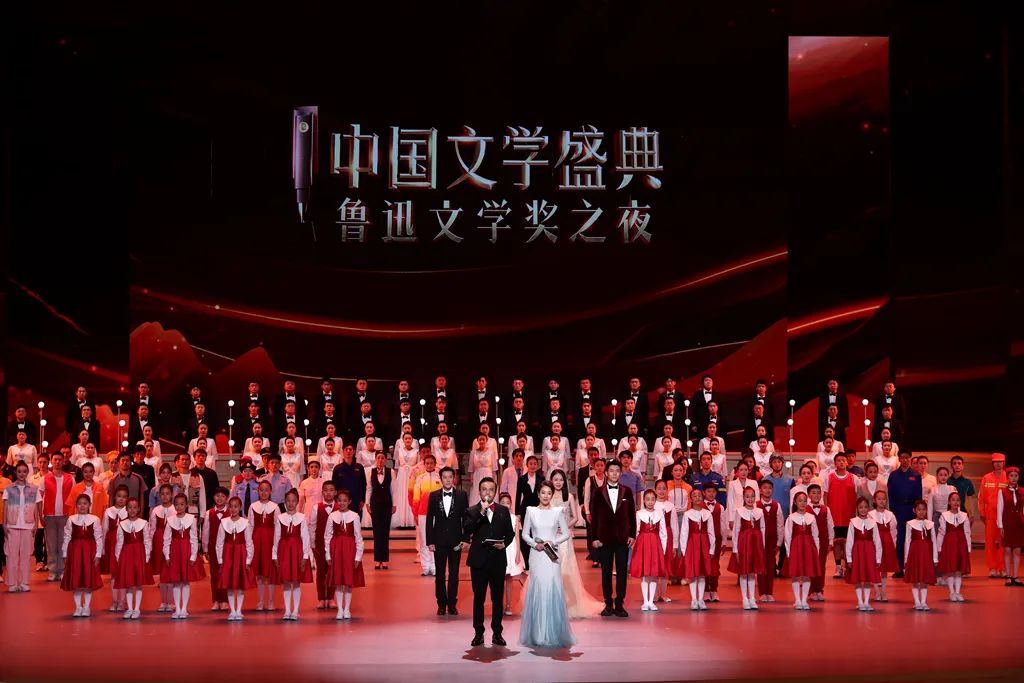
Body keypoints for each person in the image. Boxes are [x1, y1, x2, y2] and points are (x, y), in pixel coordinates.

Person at [519, 481, 577, 648]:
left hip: (551, 556)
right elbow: (525, 534)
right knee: (538, 588)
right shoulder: (531, 511)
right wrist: (534, 544)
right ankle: (537, 633)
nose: (545, 496)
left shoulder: (558, 511)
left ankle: (553, 633)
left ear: (552, 495)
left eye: (548, 493)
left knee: (552, 588)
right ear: (538, 494)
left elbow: (565, 533)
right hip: (537, 555)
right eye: (543, 492)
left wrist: (553, 541)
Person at [464, 477, 515, 647]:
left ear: (495, 491)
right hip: (478, 561)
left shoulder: (503, 510)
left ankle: (497, 633)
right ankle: (478, 633)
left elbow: (510, 533)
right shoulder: (472, 511)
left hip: (497, 561)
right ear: (479, 491)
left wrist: (504, 543)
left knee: (497, 599)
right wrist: (481, 512)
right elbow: (468, 529)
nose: (487, 492)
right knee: (478, 598)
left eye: (491, 489)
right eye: (484, 489)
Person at [548, 469, 603, 617]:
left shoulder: (569, 496)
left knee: (565, 568)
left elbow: (575, 517)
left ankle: (567, 603)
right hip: (550, 537)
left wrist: (565, 527)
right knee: (551, 568)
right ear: (551, 481)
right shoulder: (547, 495)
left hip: (564, 538)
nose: (558, 482)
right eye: (555, 479)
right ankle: (551, 602)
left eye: (561, 480)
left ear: (564, 481)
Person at [590, 461, 637, 617]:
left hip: (623, 537)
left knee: (622, 571)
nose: (614, 473)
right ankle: (608, 603)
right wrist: (594, 537)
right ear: (606, 473)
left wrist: (632, 534)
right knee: (606, 571)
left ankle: (620, 604)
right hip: (604, 538)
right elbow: (594, 516)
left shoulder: (627, 491)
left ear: (620, 473)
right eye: (611, 470)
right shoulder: (598, 492)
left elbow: (631, 514)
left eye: (617, 470)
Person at [426, 466, 468, 615]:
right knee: (440, 574)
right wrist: (430, 541)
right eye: (445, 477)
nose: (448, 480)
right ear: (441, 479)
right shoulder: (433, 496)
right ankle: (441, 604)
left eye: (450, 477)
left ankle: (452, 603)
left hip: (456, 541)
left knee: (454, 574)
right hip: (439, 541)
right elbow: (429, 519)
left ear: (454, 478)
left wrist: (465, 538)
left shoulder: (462, 495)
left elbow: (466, 519)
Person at [162, 492, 204, 619]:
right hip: (175, 552)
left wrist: (193, 556)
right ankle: (178, 608)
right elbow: (166, 539)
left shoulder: (191, 519)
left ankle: (184, 608)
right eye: (177, 504)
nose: (179, 507)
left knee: (185, 581)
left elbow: (194, 538)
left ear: (186, 505)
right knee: (176, 581)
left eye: (182, 504)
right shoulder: (170, 520)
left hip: (186, 551)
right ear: (174, 505)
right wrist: (167, 555)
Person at [60, 493, 103, 616]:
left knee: (88, 580)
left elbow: (99, 538)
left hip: (89, 553)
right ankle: (78, 607)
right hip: (75, 553)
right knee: (76, 580)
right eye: (79, 504)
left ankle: (87, 607)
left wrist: (98, 554)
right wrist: (65, 553)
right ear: (76, 506)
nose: (82, 506)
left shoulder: (95, 519)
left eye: (85, 503)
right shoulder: (71, 519)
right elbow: (67, 537)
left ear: (89, 505)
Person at [273, 488, 313, 620]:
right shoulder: (280, 518)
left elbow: (305, 538)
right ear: (285, 502)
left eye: (293, 501)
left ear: (297, 502)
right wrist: (274, 555)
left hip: (297, 551)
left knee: (296, 581)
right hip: (284, 552)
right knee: (286, 581)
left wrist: (305, 556)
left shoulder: (301, 518)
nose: (290, 503)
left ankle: (295, 610)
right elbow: (276, 537)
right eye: (288, 501)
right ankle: (287, 610)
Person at [216, 495, 256, 620]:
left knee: (239, 584)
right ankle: (232, 610)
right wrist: (220, 560)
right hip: (228, 555)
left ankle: (238, 610)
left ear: (240, 508)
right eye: (231, 507)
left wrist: (248, 560)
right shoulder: (224, 523)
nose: (233, 509)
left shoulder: (245, 523)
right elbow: (219, 543)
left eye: (236, 507)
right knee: (229, 584)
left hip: (241, 555)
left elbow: (249, 543)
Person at [727, 485, 766, 610]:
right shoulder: (739, 511)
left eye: (752, 496)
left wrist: (762, 545)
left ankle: (752, 598)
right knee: (744, 571)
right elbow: (736, 530)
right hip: (744, 543)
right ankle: (744, 598)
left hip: (756, 543)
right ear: (743, 498)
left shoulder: (759, 511)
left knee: (752, 572)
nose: (750, 499)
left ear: (756, 497)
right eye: (747, 497)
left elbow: (762, 528)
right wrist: (735, 549)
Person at [631, 488, 670, 611]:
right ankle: (645, 601)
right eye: (647, 499)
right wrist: (635, 547)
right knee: (644, 574)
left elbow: (663, 533)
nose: (650, 502)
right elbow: (636, 531)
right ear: (644, 500)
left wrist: (663, 549)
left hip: (655, 545)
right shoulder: (639, 514)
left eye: (653, 499)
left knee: (653, 574)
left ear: (655, 500)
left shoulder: (659, 514)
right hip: (643, 545)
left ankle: (651, 601)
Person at [114, 497, 153, 619]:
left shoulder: (144, 523)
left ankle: (137, 609)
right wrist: (118, 557)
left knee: (138, 583)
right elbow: (119, 542)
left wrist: (146, 557)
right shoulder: (122, 524)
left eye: (135, 507)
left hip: (139, 555)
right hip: (127, 555)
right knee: (129, 583)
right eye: (130, 507)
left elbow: (147, 541)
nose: (132, 510)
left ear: (138, 509)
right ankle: (130, 608)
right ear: (126, 509)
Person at [678, 488, 716, 610]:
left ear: (702, 497)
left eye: (699, 495)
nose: (697, 497)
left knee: (702, 574)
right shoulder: (687, 514)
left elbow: (711, 532)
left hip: (704, 545)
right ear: (691, 499)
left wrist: (711, 549)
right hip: (692, 546)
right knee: (693, 573)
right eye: (694, 495)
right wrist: (684, 550)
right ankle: (694, 599)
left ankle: (701, 599)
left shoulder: (707, 514)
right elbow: (684, 533)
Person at [39, 452, 74, 582]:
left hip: (65, 516)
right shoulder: (45, 478)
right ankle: (53, 570)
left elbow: (74, 498)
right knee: (51, 545)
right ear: (51, 461)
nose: (58, 462)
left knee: (63, 544)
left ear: (63, 461)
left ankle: (63, 570)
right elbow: (39, 498)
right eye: (55, 459)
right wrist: (40, 515)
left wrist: (73, 516)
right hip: (50, 516)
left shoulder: (70, 478)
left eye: (60, 459)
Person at [3, 462, 37, 592]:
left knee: (26, 556)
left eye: (24, 471)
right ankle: (12, 583)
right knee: (11, 555)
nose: (22, 474)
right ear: (15, 473)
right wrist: (4, 523)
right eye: (19, 471)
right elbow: (5, 508)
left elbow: (36, 508)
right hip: (12, 525)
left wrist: (35, 524)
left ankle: (24, 582)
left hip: (28, 526)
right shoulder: (8, 489)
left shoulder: (34, 489)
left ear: (27, 472)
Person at [783, 491, 820, 610]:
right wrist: (788, 552)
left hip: (808, 548)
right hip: (796, 547)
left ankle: (804, 600)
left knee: (807, 574)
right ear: (795, 502)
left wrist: (817, 550)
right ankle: (797, 600)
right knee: (795, 574)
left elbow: (815, 535)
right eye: (800, 500)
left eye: (804, 500)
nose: (802, 503)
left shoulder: (811, 517)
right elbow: (787, 536)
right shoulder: (791, 518)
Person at [887, 450, 922, 577]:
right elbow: (890, 494)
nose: (905, 460)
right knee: (900, 539)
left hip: (911, 510)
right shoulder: (893, 475)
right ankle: (899, 568)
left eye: (907, 457)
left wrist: (917, 510)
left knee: (913, 539)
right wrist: (893, 510)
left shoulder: (916, 475)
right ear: (899, 459)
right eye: (902, 457)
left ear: (910, 459)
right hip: (898, 510)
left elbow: (919, 495)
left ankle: (913, 567)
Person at [823, 452, 857, 578]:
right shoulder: (829, 477)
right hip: (834, 517)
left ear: (847, 462)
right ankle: (838, 568)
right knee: (837, 543)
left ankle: (848, 567)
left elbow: (858, 496)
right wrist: (827, 512)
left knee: (848, 543)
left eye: (843, 460)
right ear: (835, 463)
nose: (841, 462)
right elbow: (825, 495)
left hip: (850, 516)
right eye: (839, 460)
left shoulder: (854, 478)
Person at [846, 497, 883, 612]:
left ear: (869, 508)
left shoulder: (873, 523)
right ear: (857, 508)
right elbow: (849, 541)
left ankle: (866, 602)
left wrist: (878, 558)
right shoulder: (853, 522)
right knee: (858, 578)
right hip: (857, 553)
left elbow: (877, 541)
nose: (863, 509)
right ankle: (860, 602)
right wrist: (849, 558)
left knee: (867, 578)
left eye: (865, 507)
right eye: (861, 507)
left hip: (869, 553)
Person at [248, 480, 279, 611]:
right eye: (261, 490)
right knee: (260, 573)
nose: (264, 492)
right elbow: (250, 525)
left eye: (267, 490)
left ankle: (271, 601)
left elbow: (278, 526)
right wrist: (249, 543)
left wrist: (277, 544)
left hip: (270, 541)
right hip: (257, 541)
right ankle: (260, 601)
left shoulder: (275, 507)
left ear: (270, 491)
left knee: (270, 572)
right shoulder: (253, 506)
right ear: (258, 491)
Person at [308, 480, 339, 610]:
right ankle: (321, 598)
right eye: (326, 490)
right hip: (320, 544)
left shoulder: (339, 507)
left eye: (331, 490)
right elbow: (312, 526)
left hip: (335, 545)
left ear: (335, 492)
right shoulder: (317, 508)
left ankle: (331, 598)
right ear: (322, 492)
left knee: (332, 571)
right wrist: (312, 544)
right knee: (321, 571)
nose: (328, 493)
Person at [904, 500, 938, 611]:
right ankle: (917, 602)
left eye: (923, 509)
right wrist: (906, 559)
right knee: (915, 578)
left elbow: (934, 541)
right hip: (914, 554)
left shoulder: (930, 524)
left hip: (926, 555)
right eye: (919, 509)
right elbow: (907, 541)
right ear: (914, 510)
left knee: (924, 579)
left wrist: (935, 558)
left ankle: (923, 601)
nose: (921, 512)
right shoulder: (910, 524)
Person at [937, 491, 971, 602]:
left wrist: (968, 547)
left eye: (958, 500)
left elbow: (967, 532)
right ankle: (951, 592)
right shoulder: (944, 516)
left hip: (961, 544)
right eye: (953, 500)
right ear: (949, 502)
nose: (955, 502)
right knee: (951, 569)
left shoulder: (964, 516)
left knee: (959, 569)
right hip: (949, 545)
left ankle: (958, 592)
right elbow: (941, 532)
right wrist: (939, 547)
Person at [979, 453, 1009, 577]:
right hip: (990, 515)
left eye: (1000, 462)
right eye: (996, 462)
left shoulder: (1008, 477)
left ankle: (1002, 568)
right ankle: (992, 568)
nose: (998, 464)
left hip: (1004, 515)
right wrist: (982, 512)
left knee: (1003, 541)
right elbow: (981, 497)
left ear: (1004, 463)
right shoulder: (986, 478)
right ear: (992, 463)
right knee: (990, 542)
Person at [201, 487, 230, 612]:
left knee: (226, 573)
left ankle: (225, 600)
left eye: (222, 496)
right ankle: (216, 600)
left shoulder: (231, 511)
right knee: (214, 574)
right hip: (213, 547)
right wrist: (205, 548)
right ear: (213, 497)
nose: (220, 498)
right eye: (217, 496)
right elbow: (205, 531)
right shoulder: (209, 513)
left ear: (226, 498)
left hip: (227, 547)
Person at [756, 479, 784, 602]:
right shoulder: (755, 505)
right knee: (761, 566)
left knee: (771, 565)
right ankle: (762, 592)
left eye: (770, 488)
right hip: (759, 541)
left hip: (772, 540)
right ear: (760, 490)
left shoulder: (777, 505)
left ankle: (769, 592)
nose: (767, 490)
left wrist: (779, 542)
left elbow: (780, 524)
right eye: (765, 488)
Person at [366, 452, 395, 570]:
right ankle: (378, 560)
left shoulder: (391, 471)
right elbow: (369, 488)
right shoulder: (371, 472)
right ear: (375, 459)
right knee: (377, 532)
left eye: (383, 458)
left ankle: (385, 560)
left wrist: (394, 504)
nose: (380, 460)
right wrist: (367, 503)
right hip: (375, 504)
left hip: (387, 504)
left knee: (385, 531)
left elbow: (393, 489)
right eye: (378, 458)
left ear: (386, 459)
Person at [868, 490, 899, 602]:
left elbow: (893, 531)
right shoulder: (870, 515)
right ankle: (876, 591)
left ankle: (884, 592)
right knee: (875, 567)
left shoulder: (890, 515)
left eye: (884, 499)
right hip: (875, 544)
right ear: (874, 500)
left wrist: (893, 544)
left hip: (887, 543)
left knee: (884, 568)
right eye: (879, 499)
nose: (882, 501)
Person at [806, 484, 834, 602]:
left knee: (821, 565)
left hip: (823, 540)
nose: (816, 495)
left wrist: (831, 541)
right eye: (813, 493)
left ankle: (819, 590)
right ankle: (811, 591)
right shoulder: (805, 508)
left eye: (818, 492)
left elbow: (830, 525)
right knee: (810, 565)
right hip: (810, 541)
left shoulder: (826, 509)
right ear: (808, 495)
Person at [701, 482, 728, 602]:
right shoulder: (700, 506)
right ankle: (706, 590)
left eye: (713, 491)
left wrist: (724, 542)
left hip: (716, 540)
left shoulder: (720, 507)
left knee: (715, 564)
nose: (711, 494)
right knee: (705, 564)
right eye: (708, 491)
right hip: (704, 540)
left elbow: (723, 525)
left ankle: (714, 589)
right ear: (704, 493)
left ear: (716, 493)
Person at [515, 455, 544, 570]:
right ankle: (526, 563)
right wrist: (517, 512)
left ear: (537, 465)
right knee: (526, 535)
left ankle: (538, 562)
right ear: (527, 465)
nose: (533, 466)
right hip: (525, 510)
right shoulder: (522, 479)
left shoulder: (541, 478)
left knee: (537, 534)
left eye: (535, 464)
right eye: (530, 463)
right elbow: (518, 496)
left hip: (538, 509)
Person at [996, 466, 1023, 586]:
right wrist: (1000, 526)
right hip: (1007, 523)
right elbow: (999, 509)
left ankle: (1015, 576)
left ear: (1018, 477)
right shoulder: (1002, 492)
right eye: (1011, 476)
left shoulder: (1022, 491)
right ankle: (1008, 576)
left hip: (1019, 523)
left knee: (1017, 550)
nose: (1014, 478)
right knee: (1007, 550)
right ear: (1007, 478)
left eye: (1016, 476)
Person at [499, 492, 525, 615]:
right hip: (500, 550)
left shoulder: (515, 518)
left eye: (508, 503)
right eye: (503, 503)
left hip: (511, 549)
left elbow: (517, 538)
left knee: (509, 579)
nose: (505, 505)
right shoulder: (496, 517)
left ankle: (508, 605)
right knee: (498, 580)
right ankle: (499, 605)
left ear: (511, 504)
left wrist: (518, 553)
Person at [393, 432, 419, 528]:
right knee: (402, 495)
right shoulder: (399, 450)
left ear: (412, 440)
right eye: (406, 438)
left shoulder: (416, 451)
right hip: (402, 475)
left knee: (411, 495)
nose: (408, 440)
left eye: (409, 438)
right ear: (403, 440)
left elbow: (418, 465)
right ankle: (401, 521)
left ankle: (411, 521)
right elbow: (396, 465)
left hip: (412, 475)